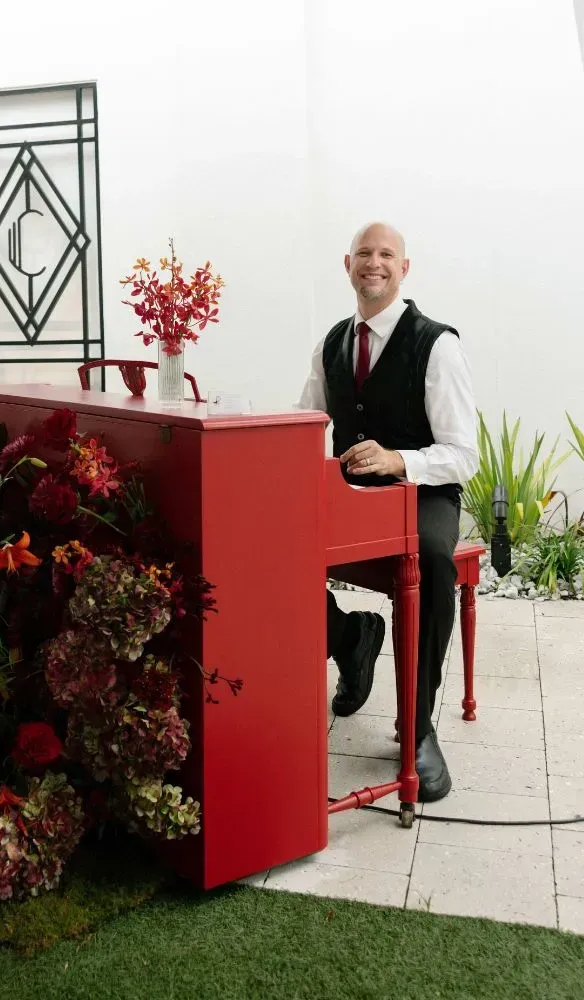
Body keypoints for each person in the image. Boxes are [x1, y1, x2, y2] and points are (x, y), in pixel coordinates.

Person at [298, 222, 478, 801]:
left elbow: (463, 455)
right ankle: (351, 637)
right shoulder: (331, 343)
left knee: (429, 559)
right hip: (350, 494)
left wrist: (399, 460)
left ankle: (418, 725)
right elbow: (307, 425)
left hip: (424, 493)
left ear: (404, 268)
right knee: (275, 546)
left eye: (386, 255)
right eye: (364, 255)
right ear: (347, 264)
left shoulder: (436, 344)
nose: (374, 263)